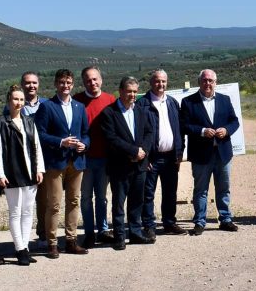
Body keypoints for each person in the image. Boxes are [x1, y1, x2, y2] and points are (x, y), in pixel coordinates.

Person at [35, 68, 90, 257]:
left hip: (76, 161)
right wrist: (60, 142)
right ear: (55, 84)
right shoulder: (47, 106)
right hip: (56, 162)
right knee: (54, 204)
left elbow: (85, 133)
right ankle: (52, 244)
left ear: (73, 84)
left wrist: (84, 144)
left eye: (68, 83)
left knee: (74, 201)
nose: (65, 86)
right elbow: (40, 134)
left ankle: (71, 240)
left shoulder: (79, 107)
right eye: (61, 82)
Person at [180, 69, 241, 235]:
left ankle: (226, 219)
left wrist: (227, 130)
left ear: (216, 82)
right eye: (205, 80)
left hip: (223, 153)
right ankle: (200, 222)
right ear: (199, 82)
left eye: (211, 81)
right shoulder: (188, 102)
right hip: (201, 155)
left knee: (223, 188)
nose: (208, 83)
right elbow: (184, 126)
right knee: (201, 190)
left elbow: (234, 121)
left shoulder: (225, 100)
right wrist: (202, 131)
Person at [0, 84, 45, 265]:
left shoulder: (29, 121)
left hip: (30, 171)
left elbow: (36, 146)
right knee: (15, 212)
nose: (19, 103)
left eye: (21, 99)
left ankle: (26, 247)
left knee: (28, 211)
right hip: (11, 172)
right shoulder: (1, 123)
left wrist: (40, 169)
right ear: (9, 101)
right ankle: (19, 249)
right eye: (15, 99)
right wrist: (0, 173)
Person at [103, 77, 157, 249]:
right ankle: (119, 236)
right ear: (120, 91)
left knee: (137, 201)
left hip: (139, 165)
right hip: (119, 166)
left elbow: (149, 133)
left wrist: (143, 152)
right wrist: (133, 151)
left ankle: (135, 233)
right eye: (129, 91)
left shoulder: (141, 111)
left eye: (135, 91)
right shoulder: (109, 113)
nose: (132, 95)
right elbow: (111, 139)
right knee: (119, 203)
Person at [140, 69, 186, 238]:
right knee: (148, 194)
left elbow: (180, 130)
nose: (161, 84)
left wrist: (180, 152)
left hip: (170, 157)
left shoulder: (173, 103)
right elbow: (138, 133)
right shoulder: (142, 104)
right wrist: (144, 156)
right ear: (151, 83)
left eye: (164, 81)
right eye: (157, 81)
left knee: (170, 191)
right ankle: (149, 226)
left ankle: (169, 223)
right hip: (152, 158)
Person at [74, 66, 115, 248]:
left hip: (105, 157)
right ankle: (89, 233)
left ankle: (103, 230)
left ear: (101, 80)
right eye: (88, 80)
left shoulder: (110, 100)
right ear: (84, 82)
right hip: (84, 159)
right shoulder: (77, 101)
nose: (92, 83)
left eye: (95, 79)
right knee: (85, 197)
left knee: (102, 196)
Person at [4, 71, 45, 241]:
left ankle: (41, 236)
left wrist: (40, 166)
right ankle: (20, 245)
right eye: (27, 83)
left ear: (38, 84)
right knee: (18, 208)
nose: (31, 86)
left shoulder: (46, 105)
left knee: (43, 202)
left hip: (39, 162)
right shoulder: (8, 111)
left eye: (34, 82)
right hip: (18, 165)